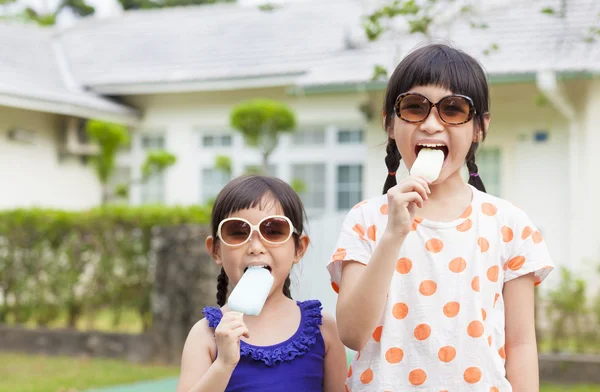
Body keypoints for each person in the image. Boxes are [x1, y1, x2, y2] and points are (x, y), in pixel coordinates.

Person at [327, 43, 554, 391]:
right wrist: (393, 235)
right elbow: (353, 335)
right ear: (389, 122)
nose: (432, 124)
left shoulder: (508, 224)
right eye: (414, 107)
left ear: (479, 128)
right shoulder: (366, 220)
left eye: (453, 109)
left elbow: (521, 344)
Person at [177, 175, 348, 392]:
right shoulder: (205, 335)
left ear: (299, 248)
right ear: (216, 250)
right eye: (238, 232)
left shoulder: (323, 329)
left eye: (274, 230)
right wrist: (223, 365)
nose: (255, 246)